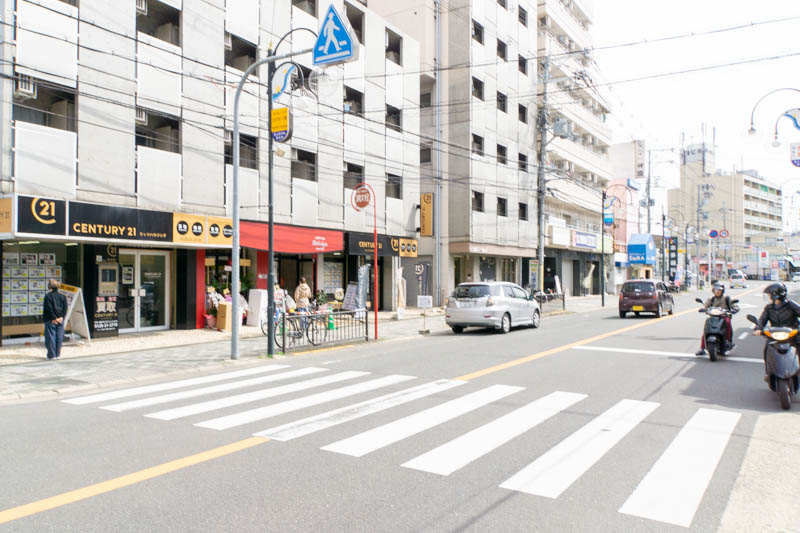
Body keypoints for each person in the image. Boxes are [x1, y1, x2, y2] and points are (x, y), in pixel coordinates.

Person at [753, 282, 800, 379]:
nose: (769, 297)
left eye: (770, 294)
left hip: (792, 334)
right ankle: (768, 372)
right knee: (767, 349)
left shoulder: (791, 305)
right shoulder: (769, 308)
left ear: (776, 295)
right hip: (774, 335)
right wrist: (758, 328)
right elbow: (762, 320)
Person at [695, 283, 737, 356]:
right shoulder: (711, 299)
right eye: (716, 290)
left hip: (723, 317)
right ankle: (702, 348)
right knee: (706, 329)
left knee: (727, 322)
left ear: (722, 291)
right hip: (713, 317)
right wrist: (703, 309)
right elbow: (705, 305)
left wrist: (735, 309)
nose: (717, 291)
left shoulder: (726, 298)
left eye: (719, 290)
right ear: (713, 290)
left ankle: (727, 341)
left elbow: (733, 305)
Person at [43, 279, 68, 360]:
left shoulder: (48, 296)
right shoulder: (63, 296)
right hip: (61, 320)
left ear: (50, 286)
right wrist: (61, 317)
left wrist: (54, 318)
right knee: (59, 337)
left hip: (50, 320)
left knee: (50, 337)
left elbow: (49, 308)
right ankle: (58, 354)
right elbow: (65, 308)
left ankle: (51, 355)